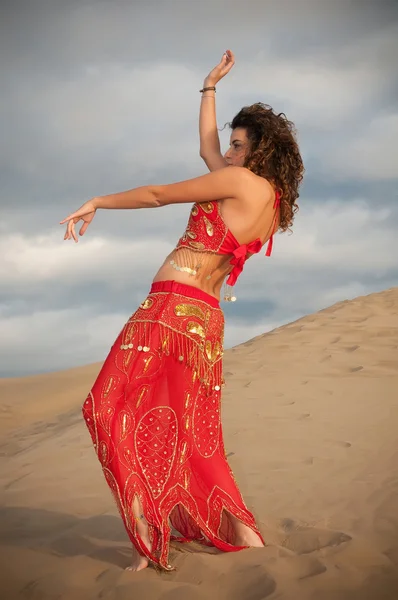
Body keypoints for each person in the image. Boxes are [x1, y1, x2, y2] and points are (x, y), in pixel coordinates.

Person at [60, 50, 304, 572]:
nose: (229, 153)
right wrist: (208, 89)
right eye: (233, 144)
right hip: (206, 322)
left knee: (103, 409)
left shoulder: (238, 182)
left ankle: (148, 530)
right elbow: (206, 148)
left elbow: (156, 194)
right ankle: (246, 538)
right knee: (195, 435)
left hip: (167, 312)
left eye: (239, 146)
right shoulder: (269, 200)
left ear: (259, 151)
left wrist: (97, 200)